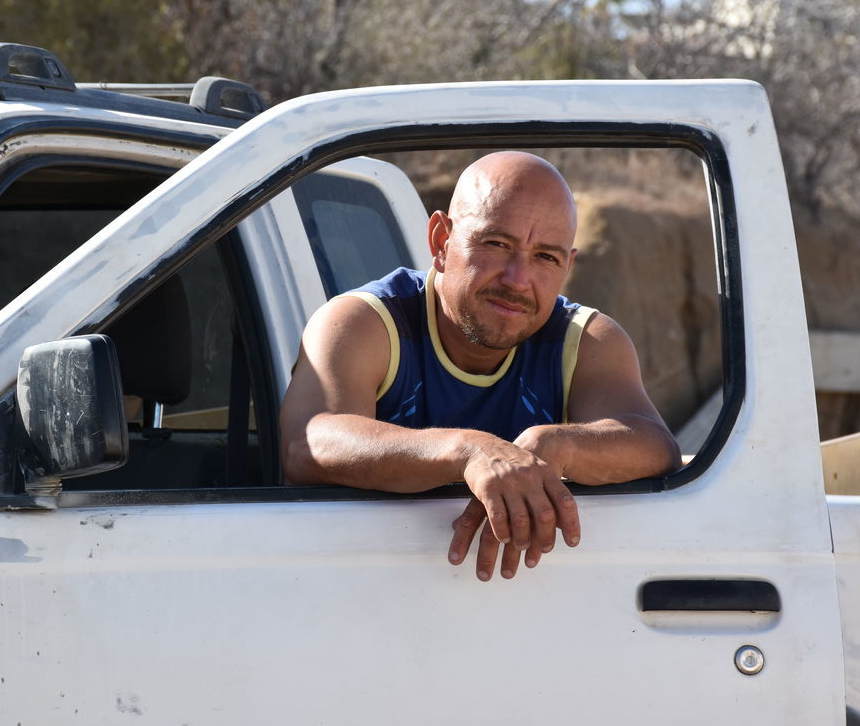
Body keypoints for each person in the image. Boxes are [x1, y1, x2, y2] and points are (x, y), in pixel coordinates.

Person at [280, 151, 680, 581]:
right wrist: (469, 451)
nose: (517, 279)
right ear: (440, 240)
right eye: (496, 244)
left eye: (546, 257)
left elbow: (656, 446)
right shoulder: (366, 322)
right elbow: (310, 443)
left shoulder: (585, 340)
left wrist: (557, 446)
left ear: (568, 266)